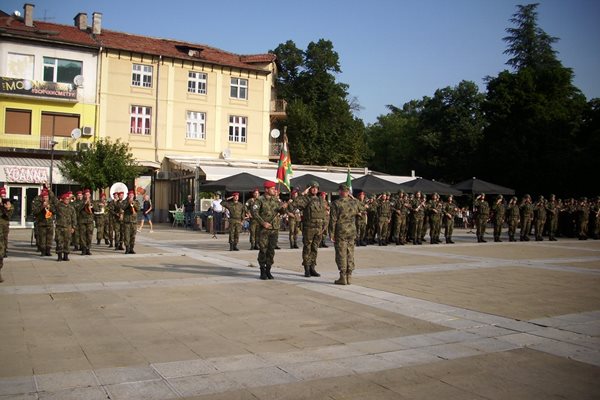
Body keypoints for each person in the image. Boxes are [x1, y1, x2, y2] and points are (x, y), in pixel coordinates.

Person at [251, 181, 288, 280]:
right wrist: (263, 223)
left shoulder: (275, 200)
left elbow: (281, 211)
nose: (274, 190)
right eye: (272, 189)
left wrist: (284, 208)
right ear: (266, 190)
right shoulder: (259, 200)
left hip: (274, 228)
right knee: (263, 249)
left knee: (271, 250)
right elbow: (254, 212)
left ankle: (268, 270)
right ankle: (262, 270)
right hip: (264, 229)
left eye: (274, 188)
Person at [293, 181, 328, 277]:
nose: (314, 189)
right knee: (307, 248)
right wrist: (303, 194)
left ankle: (313, 267)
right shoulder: (305, 199)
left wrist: (325, 225)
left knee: (315, 248)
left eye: (316, 188)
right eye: (312, 187)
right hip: (309, 228)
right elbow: (295, 204)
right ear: (309, 189)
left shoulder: (321, 200)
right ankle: (307, 268)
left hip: (319, 228)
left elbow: (324, 213)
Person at [329, 184, 361, 285]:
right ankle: (349, 276)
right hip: (351, 231)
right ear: (348, 192)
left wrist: (331, 233)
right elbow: (364, 207)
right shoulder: (354, 203)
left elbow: (333, 220)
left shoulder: (336, 203)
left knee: (341, 253)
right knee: (350, 252)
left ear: (341, 191)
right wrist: (354, 199)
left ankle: (343, 277)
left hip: (341, 232)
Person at [53, 192, 77, 261]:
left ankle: (66, 255)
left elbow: (74, 218)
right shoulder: (59, 206)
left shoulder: (71, 208)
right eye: (65, 199)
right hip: (59, 227)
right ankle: (59, 256)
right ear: (62, 199)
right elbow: (54, 200)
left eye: (68, 199)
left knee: (67, 242)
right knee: (59, 241)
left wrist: (73, 227)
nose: (67, 200)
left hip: (68, 227)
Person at [32, 187, 55, 256]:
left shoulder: (51, 203)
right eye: (44, 197)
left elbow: (55, 211)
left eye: (47, 197)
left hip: (50, 223)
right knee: (42, 238)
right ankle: (43, 251)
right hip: (41, 223)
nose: (46, 198)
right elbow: (35, 212)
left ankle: (48, 250)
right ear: (42, 198)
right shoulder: (38, 203)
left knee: (49, 238)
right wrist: (42, 206)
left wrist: (49, 207)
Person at [0, 187, 13, 282]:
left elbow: (8, 215)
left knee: (1, 255)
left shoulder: (7, 206)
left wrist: (6, 209)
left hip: (2, 231)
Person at [77, 189, 95, 255]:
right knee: (82, 236)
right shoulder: (80, 202)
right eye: (86, 194)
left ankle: (88, 248)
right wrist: (84, 203)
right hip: (82, 221)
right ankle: (83, 249)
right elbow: (78, 209)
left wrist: (92, 206)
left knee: (89, 236)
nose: (87, 196)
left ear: (90, 195)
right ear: (84, 195)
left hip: (90, 221)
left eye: (88, 194)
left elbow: (96, 209)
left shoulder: (92, 201)